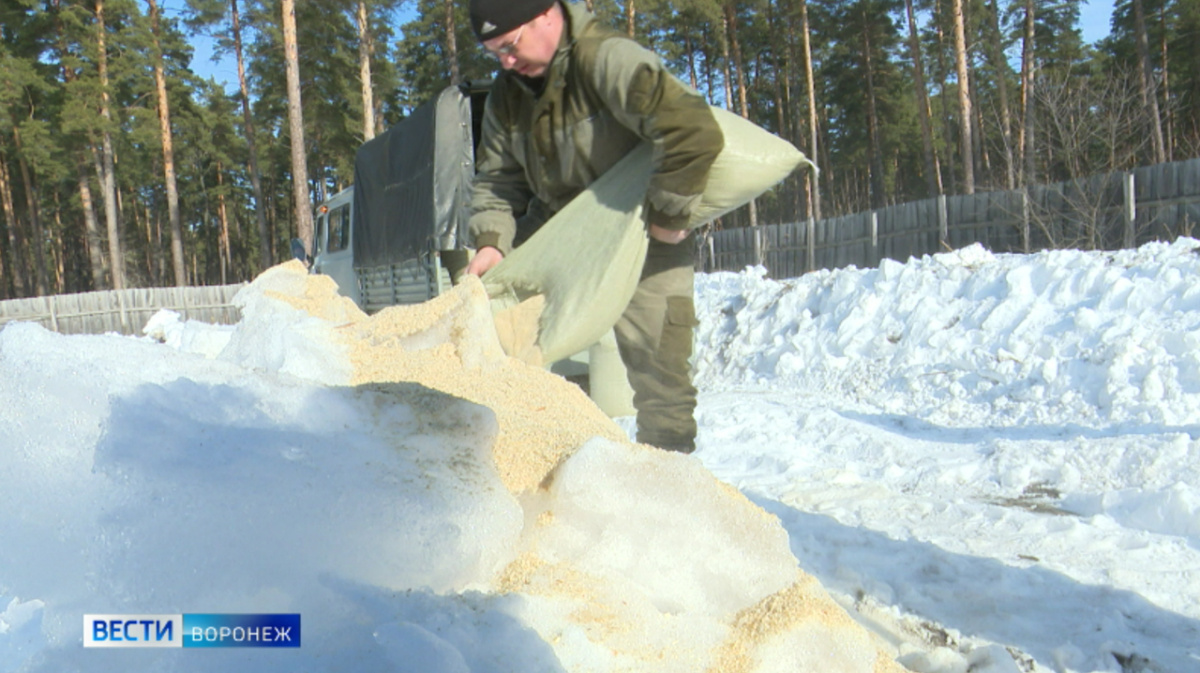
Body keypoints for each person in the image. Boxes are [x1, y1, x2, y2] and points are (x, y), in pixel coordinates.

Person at [464, 0, 724, 454]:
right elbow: (497, 181)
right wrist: (492, 243)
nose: (505, 61)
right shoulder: (507, 95)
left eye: (510, 45)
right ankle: (517, 464)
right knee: (493, 332)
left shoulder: (606, 58)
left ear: (546, 14)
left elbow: (691, 130)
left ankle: (668, 488)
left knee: (662, 378)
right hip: (559, 233)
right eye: (494, 52)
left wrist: (668, 221)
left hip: (641, 236)